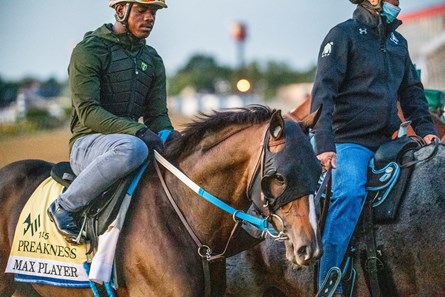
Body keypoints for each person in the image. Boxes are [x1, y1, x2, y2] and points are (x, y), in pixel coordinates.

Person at [310, 0, 440, 295]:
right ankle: (329, 284)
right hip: (351, 142)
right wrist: (325, 144)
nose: (398, 3)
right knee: (350, 191)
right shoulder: (341, 36)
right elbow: (323, 93)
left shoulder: (398, 42)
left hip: (391, 141)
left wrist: (428, 131)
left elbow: (412, 93)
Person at [47, 0, 180, 243]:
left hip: (129, 140)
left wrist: (173, 137)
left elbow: (157, 115)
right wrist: (138, 131)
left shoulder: (152, 59)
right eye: (142, 11)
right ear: (121, 11)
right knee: (134, 148)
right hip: (88, 144)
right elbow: (88, 111)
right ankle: (64, 206)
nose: (149, 18)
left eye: (153, 12)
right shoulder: (89, 50)